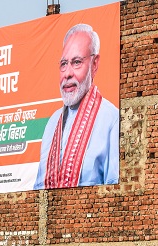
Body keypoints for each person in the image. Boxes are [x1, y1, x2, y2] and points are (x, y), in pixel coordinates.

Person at [34, 23, 119, 190]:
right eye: (64, 64)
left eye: (77, 62)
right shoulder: (52, 123)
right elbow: (39, 187)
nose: (68, 73)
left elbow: (114, 190)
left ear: (94, 64)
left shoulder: (111, 119)